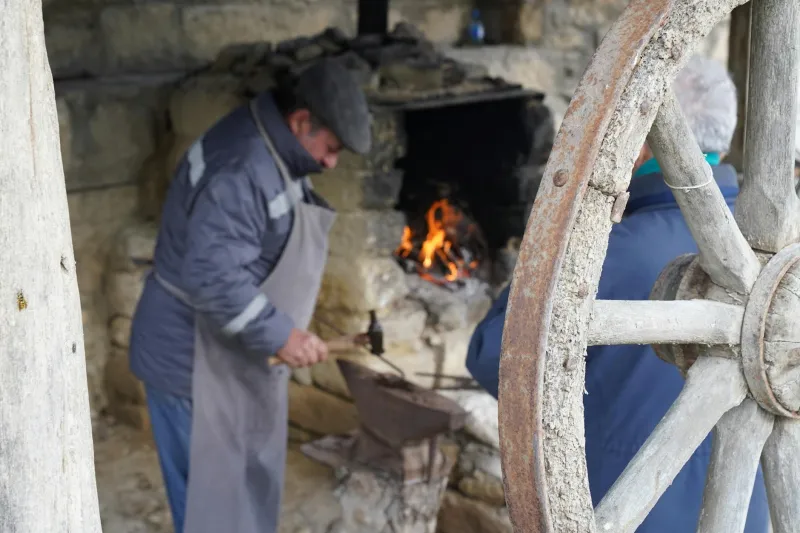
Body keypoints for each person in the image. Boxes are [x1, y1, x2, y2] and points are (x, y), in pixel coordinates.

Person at [465, 56, 769, 533]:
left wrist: (548, 255)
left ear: (645, 139)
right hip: (745, 512)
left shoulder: (604, 255)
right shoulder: (777, 262)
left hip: (626, 513)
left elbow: (492, 356)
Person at [128, 59, 372, 533]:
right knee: (211, 514)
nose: (331, 162)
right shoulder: (243, 168)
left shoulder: (272, 146)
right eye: (331, 148)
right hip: (190, 365)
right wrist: (281, 334)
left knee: (237, 504)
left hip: (224, 360)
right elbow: (212, 276)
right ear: (301, 122)